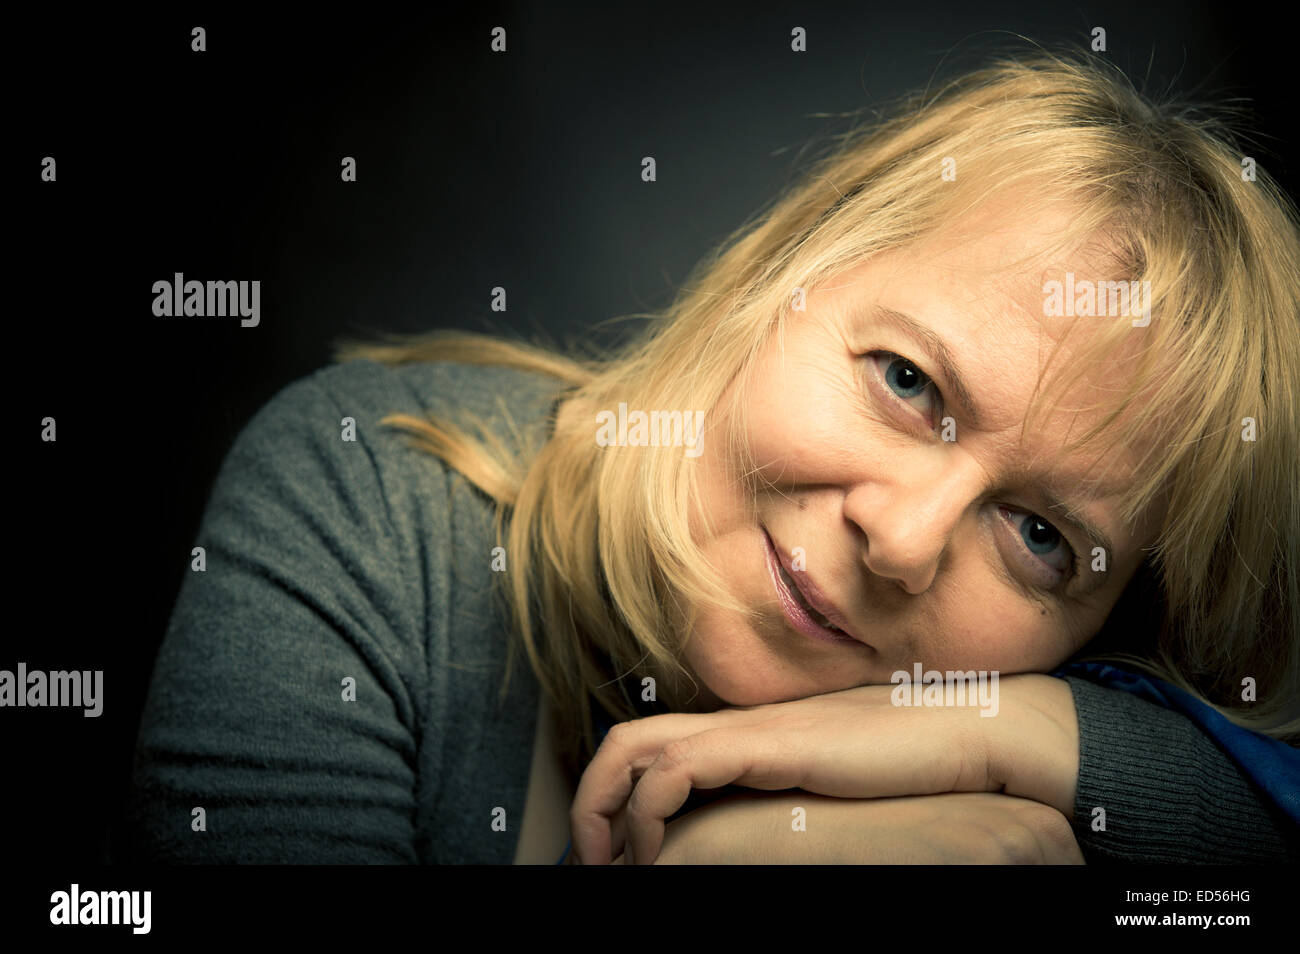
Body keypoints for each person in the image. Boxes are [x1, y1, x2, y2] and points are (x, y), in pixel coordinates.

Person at [125, 48, 1300, 864]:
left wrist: (1039, 745)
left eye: (1042, 538)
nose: (901, 541)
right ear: (777, 277)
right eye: (906, 382)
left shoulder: (1045, 717)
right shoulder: (365, 502)